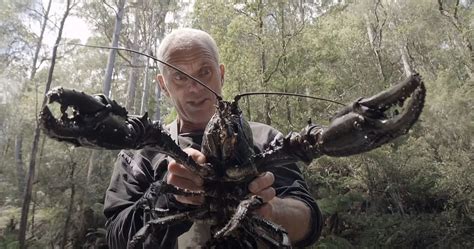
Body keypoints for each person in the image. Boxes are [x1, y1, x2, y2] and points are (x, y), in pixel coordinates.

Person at [104, 28, 323, 248]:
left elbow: (309, 221)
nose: (195, 87)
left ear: (221, 74)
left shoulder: (267, 139)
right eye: (180, 76)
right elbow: (116, 238)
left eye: (205, 71)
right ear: (164, 86)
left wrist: (274, 210)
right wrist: (167, 197)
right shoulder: (142, 153)